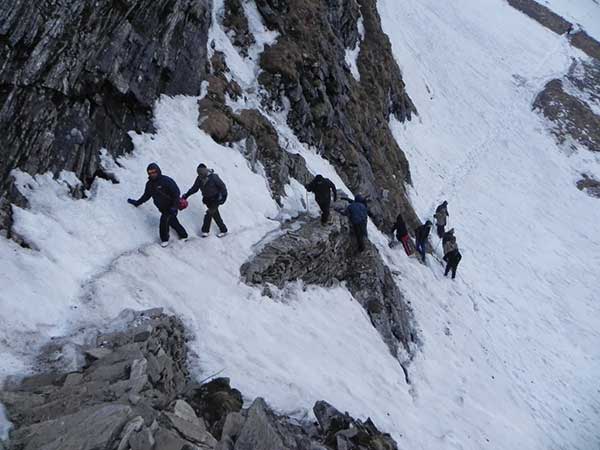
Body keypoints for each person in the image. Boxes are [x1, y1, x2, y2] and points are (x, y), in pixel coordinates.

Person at [128, 163, 188, 247]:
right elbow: (146, 196)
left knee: (164, 220)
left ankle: (164, 239)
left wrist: (174, 207)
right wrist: (137, 202)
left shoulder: (166, 180)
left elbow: (176, 193)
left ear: (158, 171)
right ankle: (184, 235)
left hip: (171, 206)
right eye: (150, 172)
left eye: (154, 172)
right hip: (162, 207)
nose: (152, 174)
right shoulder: (149, 184)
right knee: (173, 222)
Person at [182, 163, 228, 237]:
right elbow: (194, 188)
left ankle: (205, 231)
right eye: (199, 172)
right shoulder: (199, 179)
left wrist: (224, 197)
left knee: (209, 213)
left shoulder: (213, 177)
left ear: (205, 171)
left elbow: (223, 187)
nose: (200, 174)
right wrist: (186, 195)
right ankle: (224, 230)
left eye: (201, 172)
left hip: (216, 199)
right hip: (208, 200)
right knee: (215, 215)